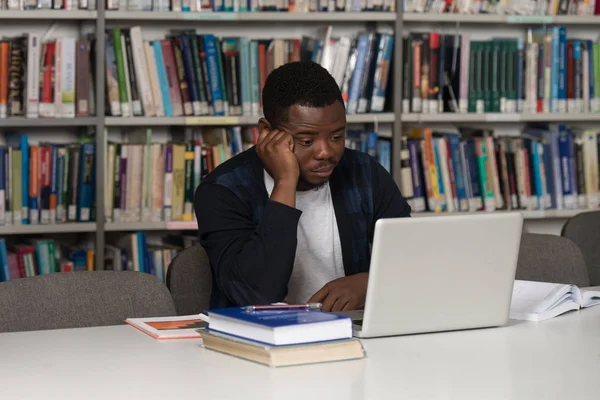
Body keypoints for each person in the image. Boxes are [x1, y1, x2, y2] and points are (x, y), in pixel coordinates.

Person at [194, 61, 411, 312]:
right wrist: (286, 181)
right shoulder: (222, 191)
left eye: (337, 136)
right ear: (267, 132)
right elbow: (256, 292)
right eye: (306, 140)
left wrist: (367, 284)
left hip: (351, 332)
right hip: (260, 340)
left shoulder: (364, 174)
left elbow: (412, 258)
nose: (326, 152)